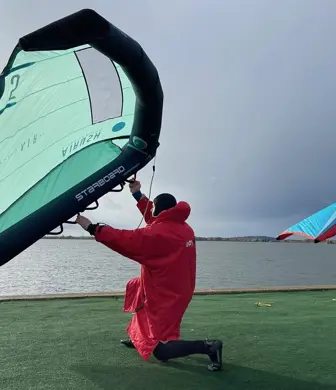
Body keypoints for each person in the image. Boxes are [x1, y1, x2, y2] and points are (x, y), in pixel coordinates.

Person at [76, 179, 223, 371]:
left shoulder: (158, 234)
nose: (151, 210)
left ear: (159, 211)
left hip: (167, 294)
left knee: (162, 350)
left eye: (154, 207)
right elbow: (155, 219)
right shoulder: (182, 226)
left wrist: (92, 228)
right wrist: (137, 193)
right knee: (139, 298)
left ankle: (209, 347)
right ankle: (139, 338)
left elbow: (125, 239)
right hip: (174, 285)